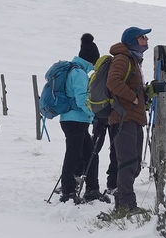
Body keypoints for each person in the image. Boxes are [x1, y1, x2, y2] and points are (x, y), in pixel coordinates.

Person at [106, 26, 152, 213]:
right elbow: (112, 82)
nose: (147, 40)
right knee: (127, 162)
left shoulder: (133, 60)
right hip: (124, 117)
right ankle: (126, 205)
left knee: (133, 162)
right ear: (133, 40)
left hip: (132, 117)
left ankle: (123, 201)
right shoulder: (122, 59)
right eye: (143, 37)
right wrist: (132, 97)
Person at [59, 33, 109, 204]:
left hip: (73, 120)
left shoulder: (74, 70)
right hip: (75, 120)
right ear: (91, 59)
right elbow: (81, 99)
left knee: (90, 154)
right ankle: (68, 192)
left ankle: (91, 189)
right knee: (74, 155)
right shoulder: (79, 73)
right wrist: (93, 114)